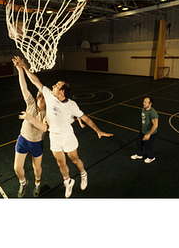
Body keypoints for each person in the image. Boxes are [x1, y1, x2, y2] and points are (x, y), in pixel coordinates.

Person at [13, 56, 113, 198]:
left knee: (74, 159)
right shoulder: (48, 94)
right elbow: (35, 80)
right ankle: (68, 181)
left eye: (57, 85)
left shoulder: (71, 105)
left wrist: (98, 130)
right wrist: (24, 67)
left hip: (67, 136)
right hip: (54, 137)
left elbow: (85, 117)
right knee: (61, 163)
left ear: (62, 92)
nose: (53, 85)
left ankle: (83, 173)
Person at [12, 57, 48, 198]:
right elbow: (24, 87)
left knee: (36, 168)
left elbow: (44, 128)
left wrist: (29, 118)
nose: (40, 95)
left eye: (43, 96)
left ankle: (37, 184)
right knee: (17, 168)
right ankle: (23, 182)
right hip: (23, 139)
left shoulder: (47, 113)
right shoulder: (31, 103)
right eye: (39, 94)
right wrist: (20, 69)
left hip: (36, 143)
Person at [131, 97, 158, 163]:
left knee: (148, 147)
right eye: (143, 101)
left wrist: (148, 134)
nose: (144, 103)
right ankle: (139, 154)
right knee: (139, 143)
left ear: (150, 103)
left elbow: (155, 125)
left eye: (146, 102)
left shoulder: (153, 113)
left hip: (150, 133)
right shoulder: (143, 109)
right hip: (143, 131)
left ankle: (151, 157)